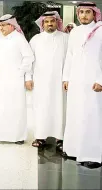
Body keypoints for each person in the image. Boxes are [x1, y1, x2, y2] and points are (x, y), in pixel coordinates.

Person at [62, 2, 102, 169]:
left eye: (87, 12)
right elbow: (70, 56)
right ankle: (73, 149)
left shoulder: (100, 31)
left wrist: (101, 80)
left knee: (91, 117)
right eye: (81, 12)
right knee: (75, 114)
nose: (84, 15)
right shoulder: (75, 32)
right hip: (76, 81)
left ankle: (92, 155)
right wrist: (66, 78)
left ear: (94, 14)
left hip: (93, 83)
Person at [0, 14, 34, 144]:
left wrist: (20, 73)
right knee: (1, 106)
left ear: (11, 25)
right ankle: (1, 135)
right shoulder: (0, 39)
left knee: (16, 107)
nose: (1, 28)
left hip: (15, 80)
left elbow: (29, 57)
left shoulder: (19, 38)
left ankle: (18, 137)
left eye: (3, 26)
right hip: (1, 79)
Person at [28, 11, 68, 148]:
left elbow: (71, 60)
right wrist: (28, 78)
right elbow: (29, 61)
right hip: (40, 81)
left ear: (57, 22)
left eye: (52, 21)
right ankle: (40, 137)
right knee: (41, 108)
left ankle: (60, 138)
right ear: (42, 24)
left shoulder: (66, 38)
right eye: (47, 21)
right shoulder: (35, 39)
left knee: (60, 108)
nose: (50, 24)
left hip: (60, 82)